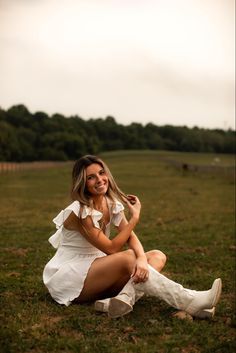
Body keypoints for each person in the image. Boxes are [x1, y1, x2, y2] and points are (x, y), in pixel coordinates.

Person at [43, 155, 222, 319]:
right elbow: (112, 248)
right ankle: (190, 300)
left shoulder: (110, 203)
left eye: (101, 173)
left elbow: (131, 238)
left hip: (97, 270)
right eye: (91, 177)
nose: (99, 180)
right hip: (71, 277)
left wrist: (143, 259)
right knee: (129, 257)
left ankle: (122, 299)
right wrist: (134, 218)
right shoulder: (79, 211)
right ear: (82, 183)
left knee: (157, 256)